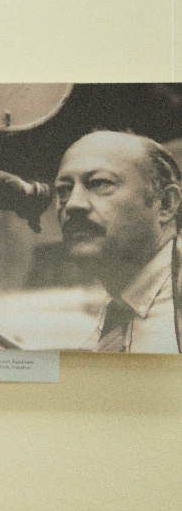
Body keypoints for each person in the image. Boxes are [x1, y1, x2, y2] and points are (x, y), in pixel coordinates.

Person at [53, 130, 182, 353]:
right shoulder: (122, 305)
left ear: (165, 204)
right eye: (64, 190)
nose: (72, 204)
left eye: (100, 183)